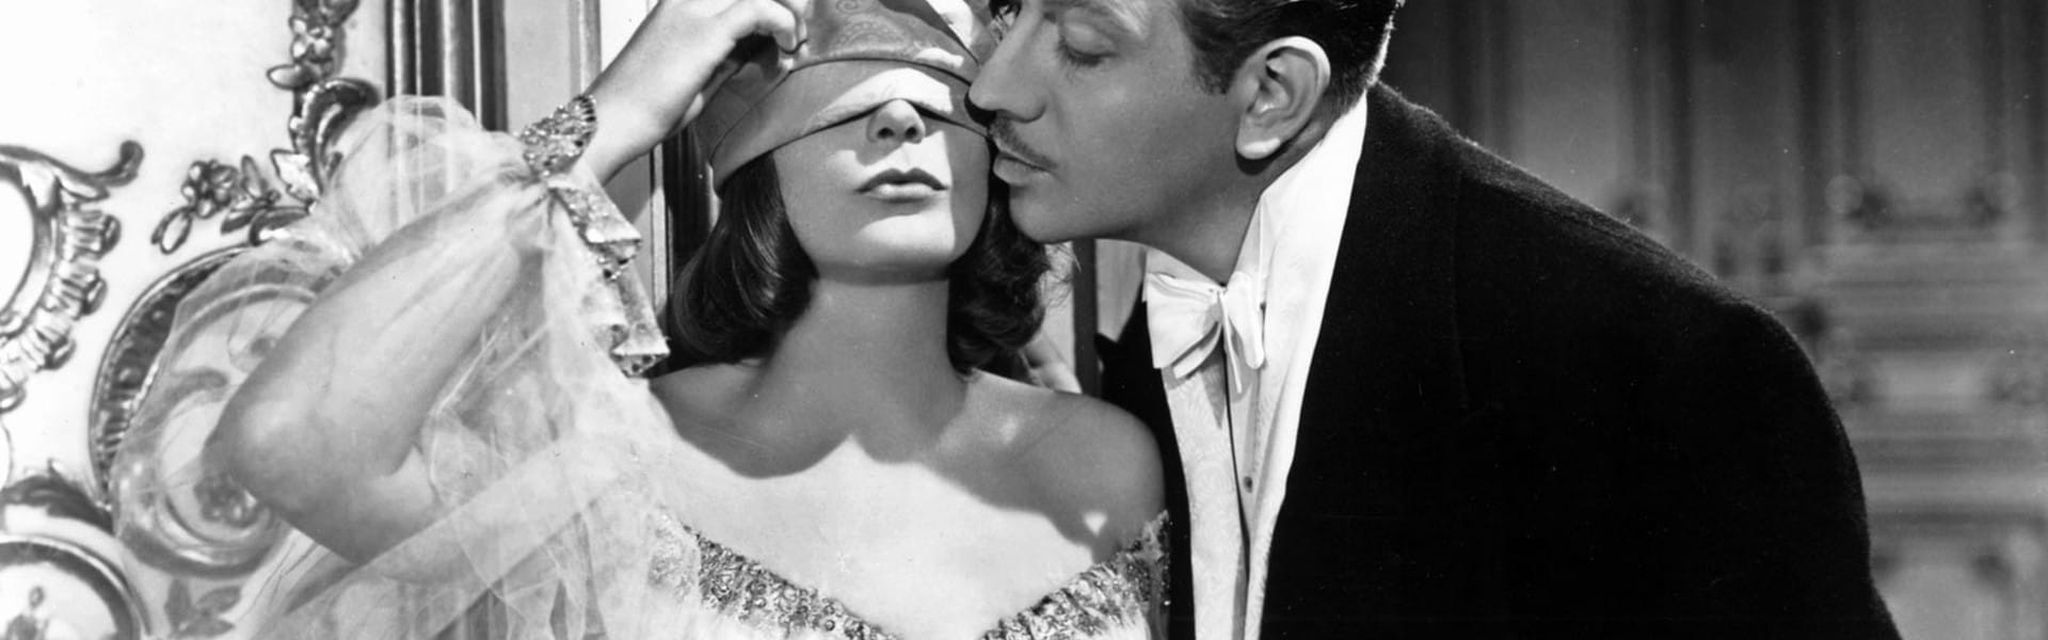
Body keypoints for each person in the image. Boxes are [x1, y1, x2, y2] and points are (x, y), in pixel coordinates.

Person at [118, 0, 1167, 637]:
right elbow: (290, 439)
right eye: (843, 98)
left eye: (940, 101)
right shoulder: (622, 466)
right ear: (747, 166)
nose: (900, 121)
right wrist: (610, 117)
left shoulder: (1103, 466)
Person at [966, 0, 1902, 637]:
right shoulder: (1135, 349)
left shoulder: (1665, 366)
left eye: (1081, 47)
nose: (994, 87)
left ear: (1271, 95)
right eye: (1011, 13)